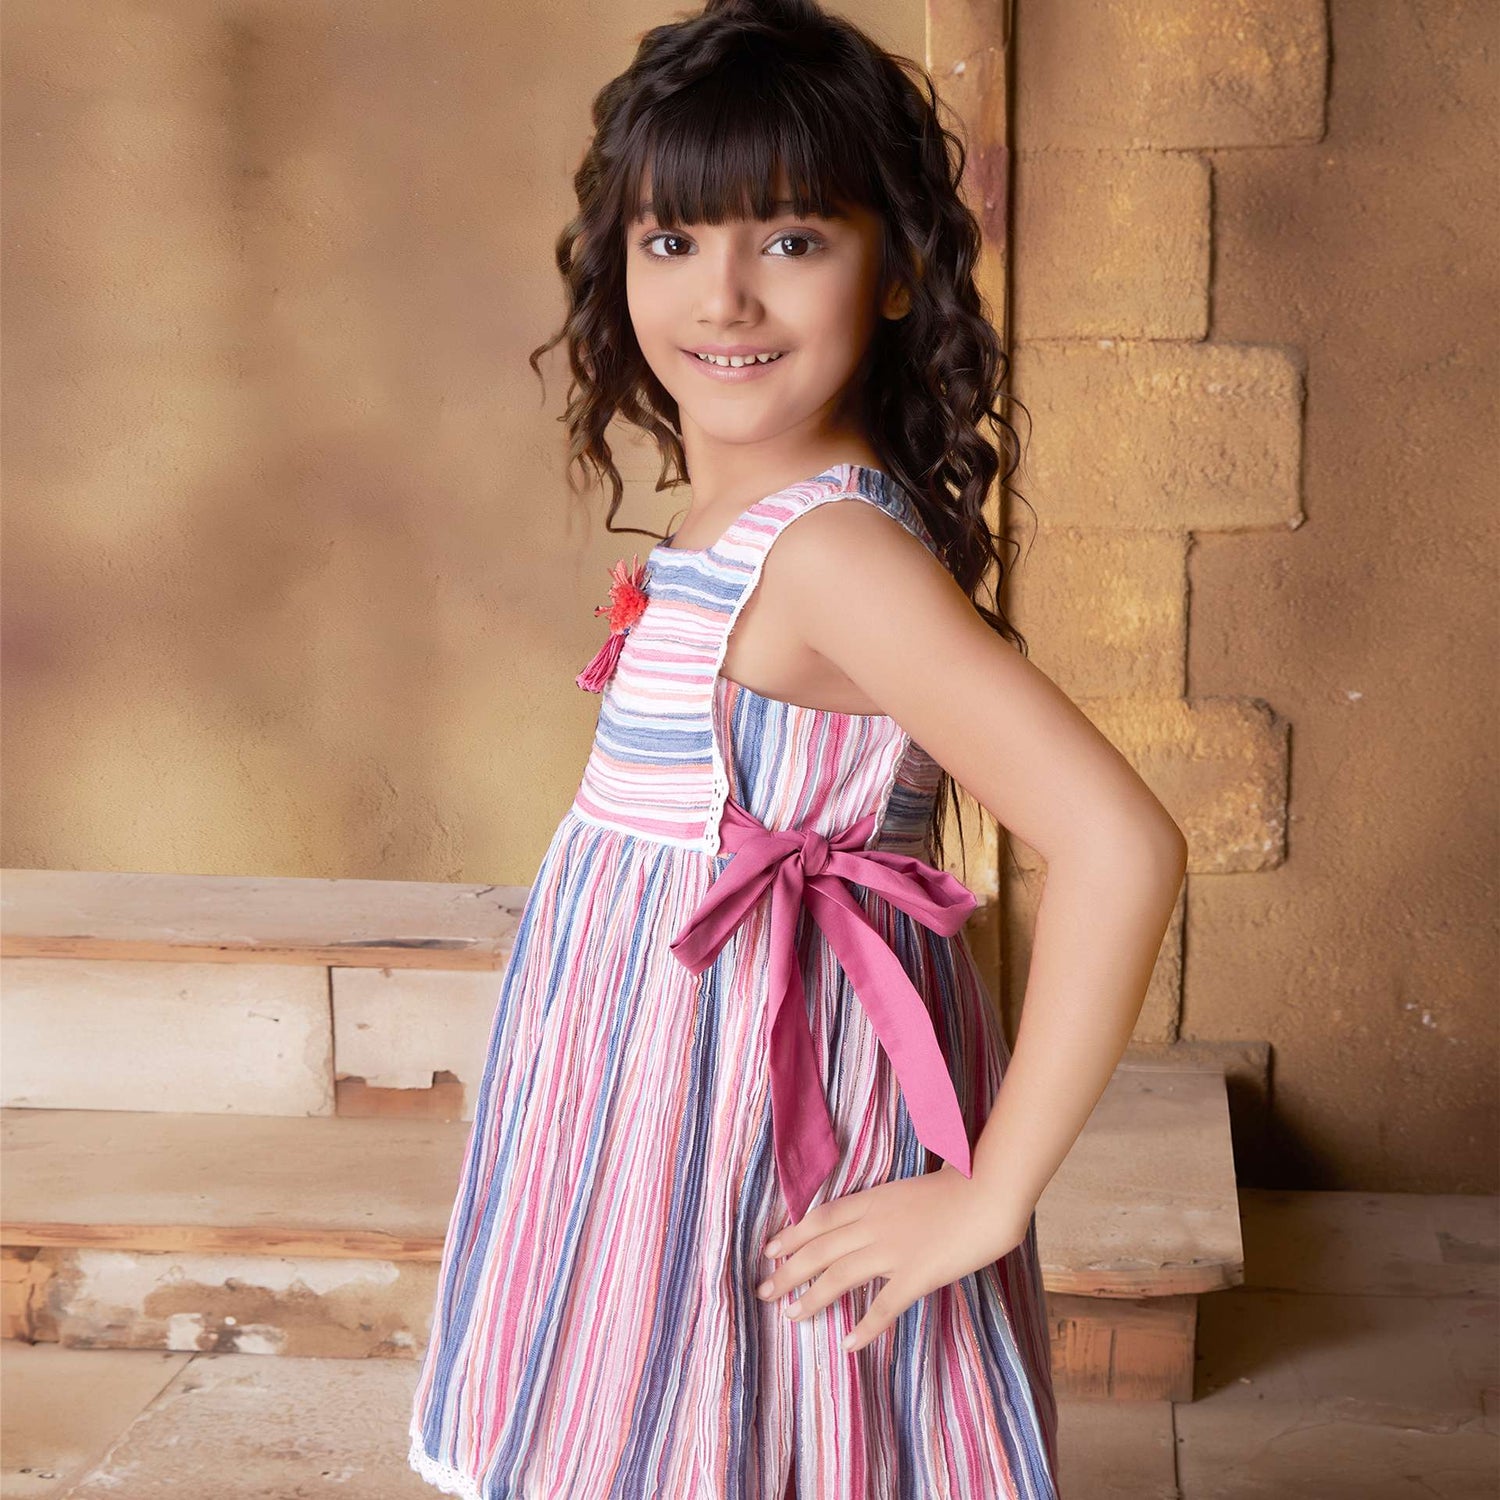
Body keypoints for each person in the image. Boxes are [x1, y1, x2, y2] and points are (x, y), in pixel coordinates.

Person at [408, 0, 1187, 1494]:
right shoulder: (749, 519)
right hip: (664, 1102)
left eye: (790, 240)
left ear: (893, 271)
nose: (726, 298)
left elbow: (1117, 844)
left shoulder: (830, 555)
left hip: (768, 1102)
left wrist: (988, 1197)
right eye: (673, 241)